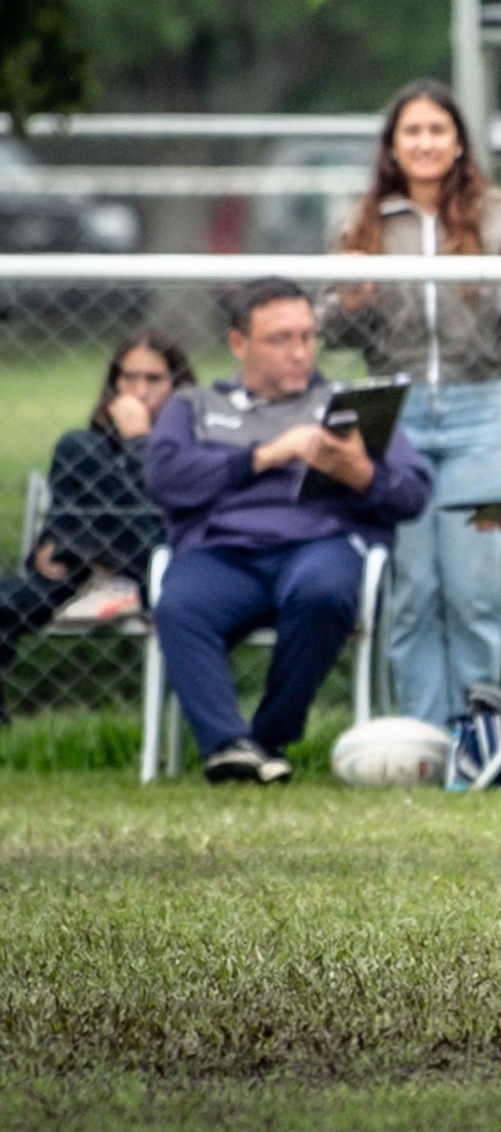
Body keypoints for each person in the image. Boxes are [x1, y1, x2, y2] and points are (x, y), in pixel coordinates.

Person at [319, 80, 501, 731]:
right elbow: (329, 330)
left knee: (474, 589)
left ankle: (477, 735)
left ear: (458, 143)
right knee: (415, 591)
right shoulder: (363, 222)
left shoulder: (499, 214)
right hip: (393, 418)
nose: (425, 143)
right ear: (394, 146)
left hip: (480, 411)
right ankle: (424, 737)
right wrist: (351, 300)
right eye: (412, 132)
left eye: (437, 130)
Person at [147, 277, 433, 784]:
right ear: (239, 344)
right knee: (179, 605)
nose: (299, 352)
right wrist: (264, 456)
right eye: (281, 339)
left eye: (306, 337)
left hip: (319, 546)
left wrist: (359, 473)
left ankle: (266, 739)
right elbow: (166, 478)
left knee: (323, 591)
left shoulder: (347, 407)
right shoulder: (194, 406)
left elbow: (413, 494)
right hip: (224, 553)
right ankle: (227, 746)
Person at [0, 331, 194, 722]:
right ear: (113, 384)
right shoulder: (96, 446)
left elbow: (167, 513)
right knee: (79, 447)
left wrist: (139, 440)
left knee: (76, 447)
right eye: (128, 378)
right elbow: (65, 513)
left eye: (153, 379)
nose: (139, 391)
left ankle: (86, 552)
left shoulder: (193, 442)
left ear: (177, 385)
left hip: (158, 567)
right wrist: (55, 539)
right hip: (79, 573)